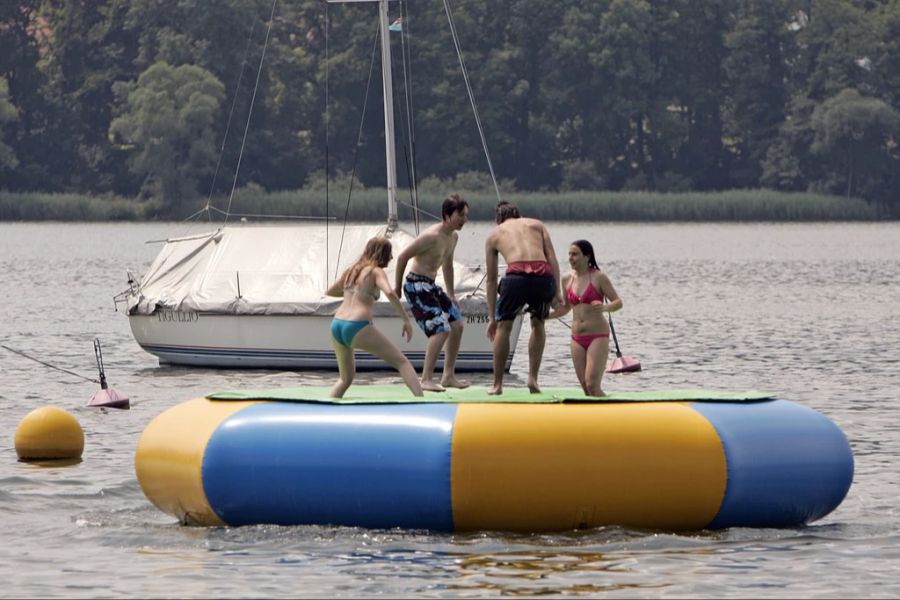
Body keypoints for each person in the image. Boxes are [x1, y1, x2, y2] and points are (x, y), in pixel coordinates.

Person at [326, 236, 423, 398]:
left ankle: (327, 409)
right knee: (402, 362)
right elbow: (390, 292)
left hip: (337, 324)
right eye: (389, 254)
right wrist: (406, 320)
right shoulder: (376, 271)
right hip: (357, 325)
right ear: (382, 254)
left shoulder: (352, 270)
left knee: (345, 379)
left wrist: (352, 291)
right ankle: (422, 403)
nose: (391, 258)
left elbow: (330, 291)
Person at [484, 201, 563, 395]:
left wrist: (492, 317)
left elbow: (492, 280)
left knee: (504, 326)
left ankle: (497, 385)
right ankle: (533, 379)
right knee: (538, 323)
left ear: (498, 220)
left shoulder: (494, 235)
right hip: (542, 276)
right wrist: (557, 291)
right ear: (519, 215)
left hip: (516, 278)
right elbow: (552, 259)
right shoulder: (537, 224)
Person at [394, 193, 470, 391]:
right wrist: (396, 288)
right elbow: (402, 258)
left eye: (465, 216)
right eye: (460, 215)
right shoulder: (431, 236)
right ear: (447, 215)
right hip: (415, 285)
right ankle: (426, 379)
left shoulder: (453, 237)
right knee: (441, 329)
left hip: (431, 285)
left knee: (457, 325)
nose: (464, 220)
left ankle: (448, 376)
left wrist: (452, 294)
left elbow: (448, 266)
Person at [548, 240, 623, 397]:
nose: (571, 258)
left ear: (587, 256)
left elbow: (618, 302)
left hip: (598, 336)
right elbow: (566, 308)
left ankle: (610, 414)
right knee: (584, 387)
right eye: (569, 254)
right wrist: (544, 317)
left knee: (592, 385)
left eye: (575, 254)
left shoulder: (599, 277)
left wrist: (605, 307)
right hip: (576, 338)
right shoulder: (566, 279)